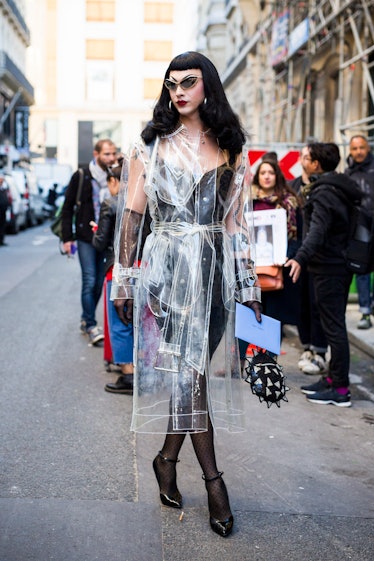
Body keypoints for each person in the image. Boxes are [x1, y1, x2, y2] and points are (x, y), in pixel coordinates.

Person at [111, 51, 262, 537]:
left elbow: (236, 225)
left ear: (207, 87)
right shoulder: (149, 145)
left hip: (214, 273)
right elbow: (133, 216)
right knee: (192, 374)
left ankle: (165, 458)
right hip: (169, 273)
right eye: (172, 83)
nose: (179, 91)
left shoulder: (232, 147)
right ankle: (215, 484)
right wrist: (124, 277)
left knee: (188, 374)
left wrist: (248, 284)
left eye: (189, 82)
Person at [286, 142, 362, 407]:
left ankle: (340, 389)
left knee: (334, 327)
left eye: (306, 158)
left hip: (330, 268)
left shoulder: (325, 192)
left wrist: (300, 258)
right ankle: (332, 379)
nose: (302, 161)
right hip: (333, 266)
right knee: (333, 325)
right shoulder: (334, 187)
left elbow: (317, 230)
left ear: (316, 164)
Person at [61, 139, 117, 345]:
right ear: (96, 154)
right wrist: (67, 238)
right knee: (89, 279)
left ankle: (86, 319)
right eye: (107, 154)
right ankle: (92, 325)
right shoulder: (82, 176)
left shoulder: (116, 176)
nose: (111, 158)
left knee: (98, 283)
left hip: (105, 238)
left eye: (113, 153)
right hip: (85, 237)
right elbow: (67, 208)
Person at [92, 158, 134, 394]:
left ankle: (128, 374)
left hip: (117, 267)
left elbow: (100, 244)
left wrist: (96, 231)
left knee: (120, 322)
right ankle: (137, 368)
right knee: (137, 320)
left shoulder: (111, 203)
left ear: (114, 180)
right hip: (143, 265)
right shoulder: (146, 201)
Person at [290, 146, 329, 375]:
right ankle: (307, 346)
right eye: (303, 156)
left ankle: (320, 351)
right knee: (301, 302)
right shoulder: (293, 187)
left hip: (319, 256)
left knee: (318, 304)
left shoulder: (324, 187)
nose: (305, 160)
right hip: (298, 255)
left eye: (308, 157)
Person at [252, 158, 301, 332]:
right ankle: (252, 358)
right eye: (263, 173)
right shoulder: (247, 201)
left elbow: (298, 235)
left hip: (278, 268)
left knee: (274, 319)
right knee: (252, 318)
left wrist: (288, 254)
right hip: (251, 269)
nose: (267, 176)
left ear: (277, 176)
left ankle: (269, 358)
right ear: (257, 176)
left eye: (271, 173)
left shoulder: (289, 202)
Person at [344, 135, 374, 329]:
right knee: (361, 268)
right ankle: (365, 313)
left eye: (362, 148)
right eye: (355, 149)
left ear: (368, 149)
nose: (359, 152)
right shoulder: (348, 172)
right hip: (360, 226)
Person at [0, 174, 9, 246]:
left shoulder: (3, 188)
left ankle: (1, 240)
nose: (2, 181)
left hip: (3, 211)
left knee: (3, 226)